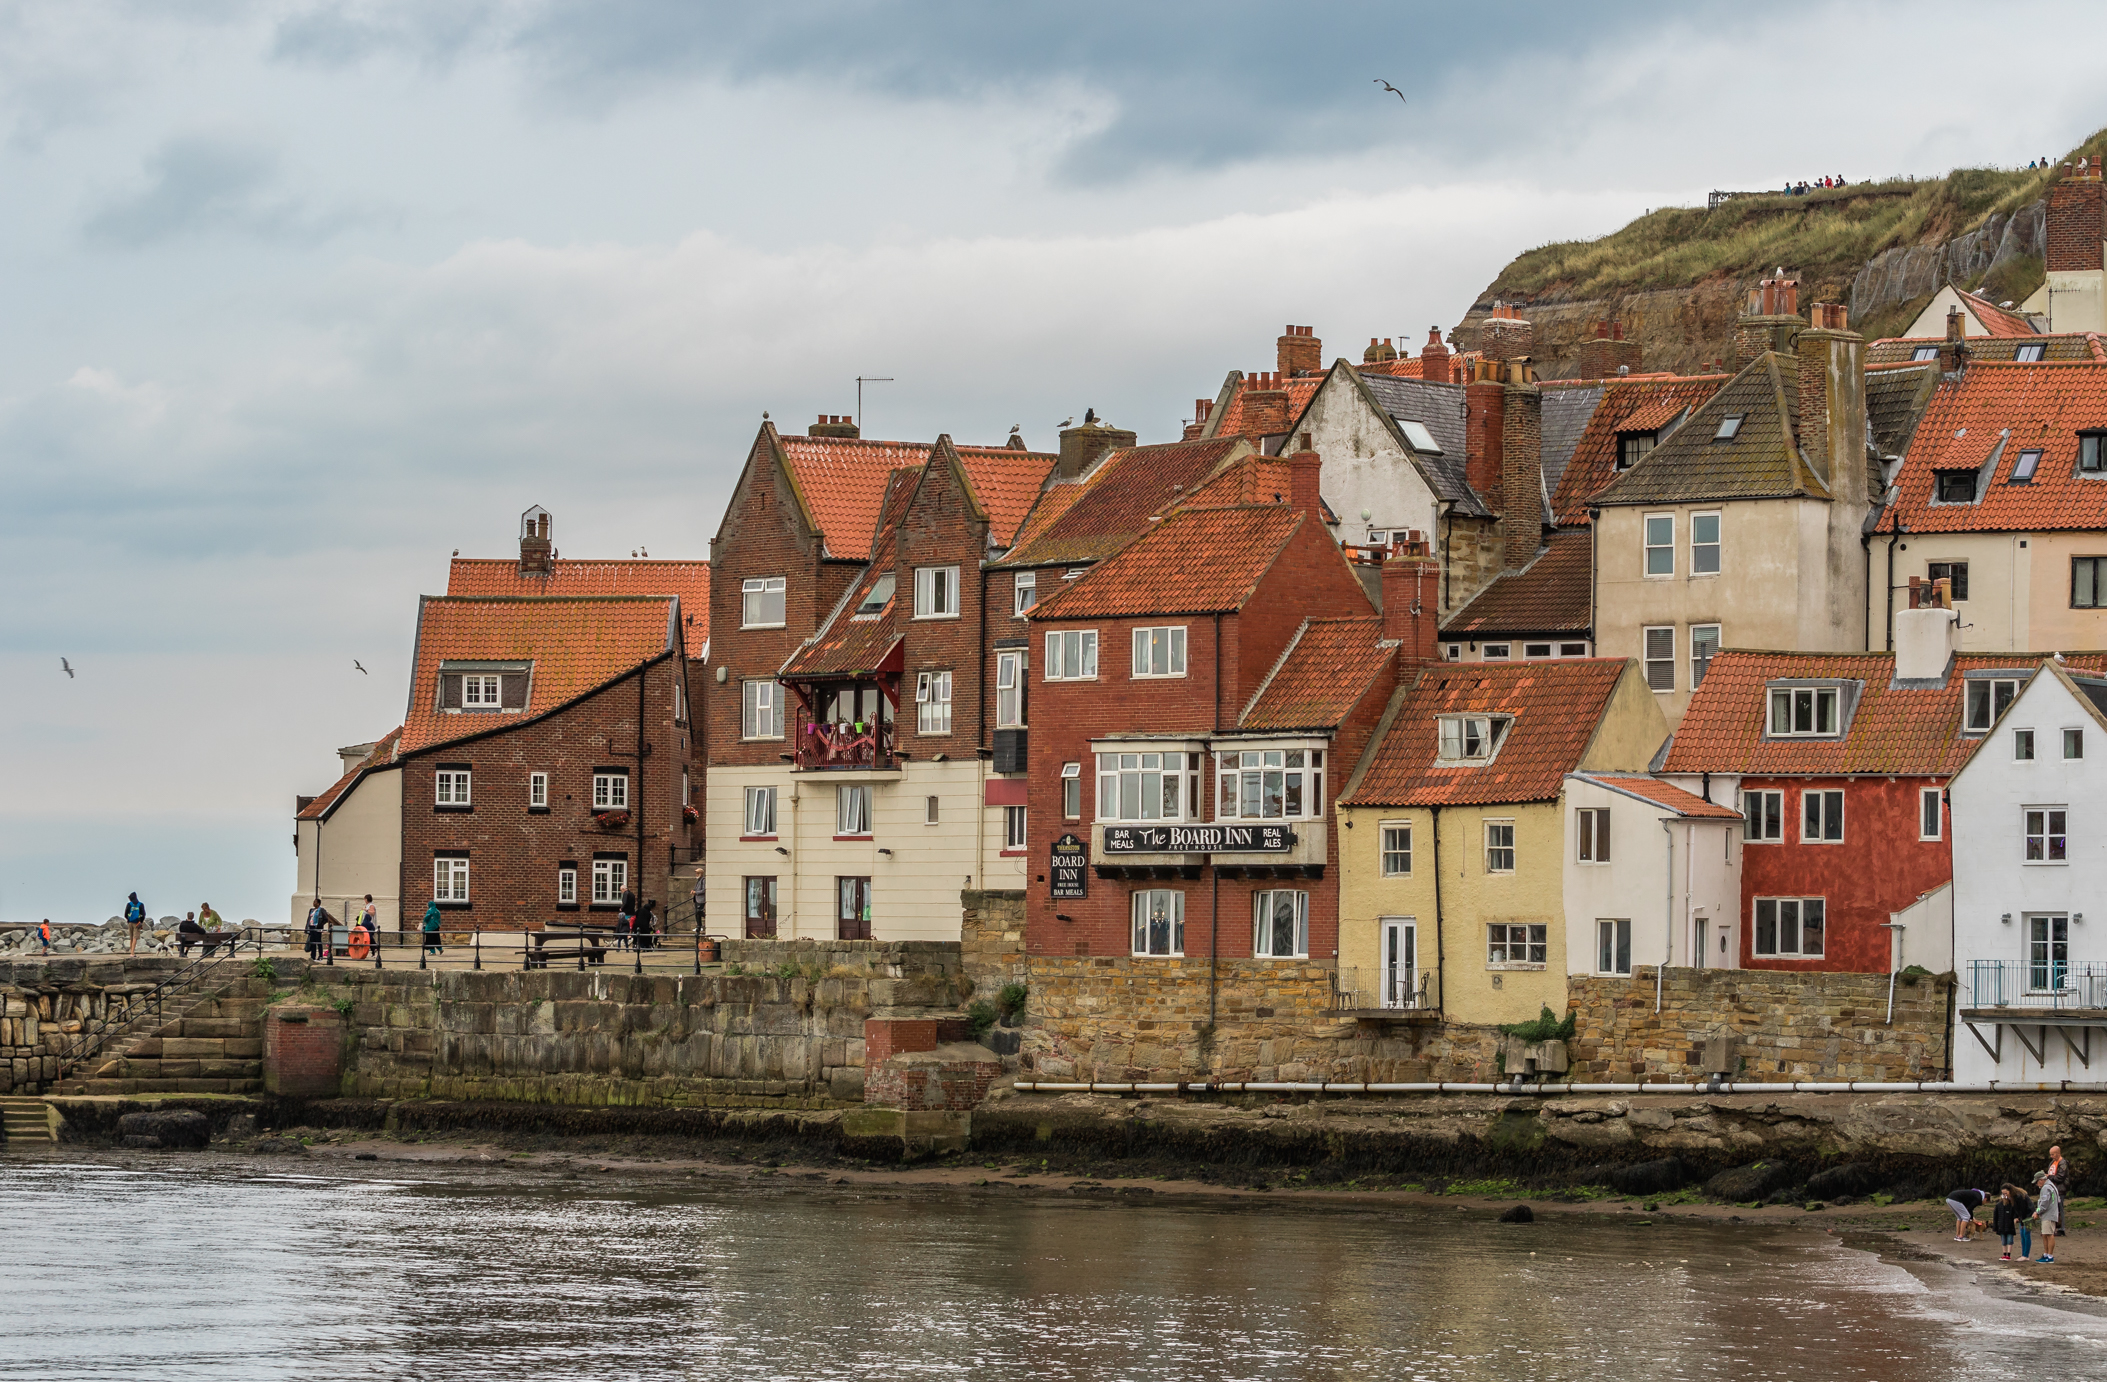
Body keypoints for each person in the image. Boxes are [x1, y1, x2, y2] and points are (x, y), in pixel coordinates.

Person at [1994, 1184, 2033, 1261]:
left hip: (2028, 1217)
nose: (2005, 1195)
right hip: (2023, 1217)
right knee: (2023, 1235)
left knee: (2026, 1235)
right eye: (2003, 1194)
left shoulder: (2019, 1197)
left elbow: (2023, 1210)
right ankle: (2024, 1254)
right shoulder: (2014, 1197)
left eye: (2006, 1193)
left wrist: (2022, 1221)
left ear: (2010, 1191)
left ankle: (2025, 1255)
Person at [2034, 1170, 2063, 1263]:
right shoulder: (2052, 1186)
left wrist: (2037, 1212)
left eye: (2037, 1181)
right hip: (2050, 1214)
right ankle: (2046, 1254)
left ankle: (2049, 1256)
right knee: (2045, 1234)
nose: (2037, 1184)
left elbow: (2044, 1203)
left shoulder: (2046, 1188)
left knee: (2049, 1235)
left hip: (2048, 1215)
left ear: (2041, 1180)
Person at [124, 892, 146, 956]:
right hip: (137, 923)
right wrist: (141, 922)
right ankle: (132, 953)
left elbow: (125, 914)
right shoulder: (141, 904)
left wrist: (128, 919)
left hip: (130, 922)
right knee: (135, 938)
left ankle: (131, 952)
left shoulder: (129, 904)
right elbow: (143, 914)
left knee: (131, 937)